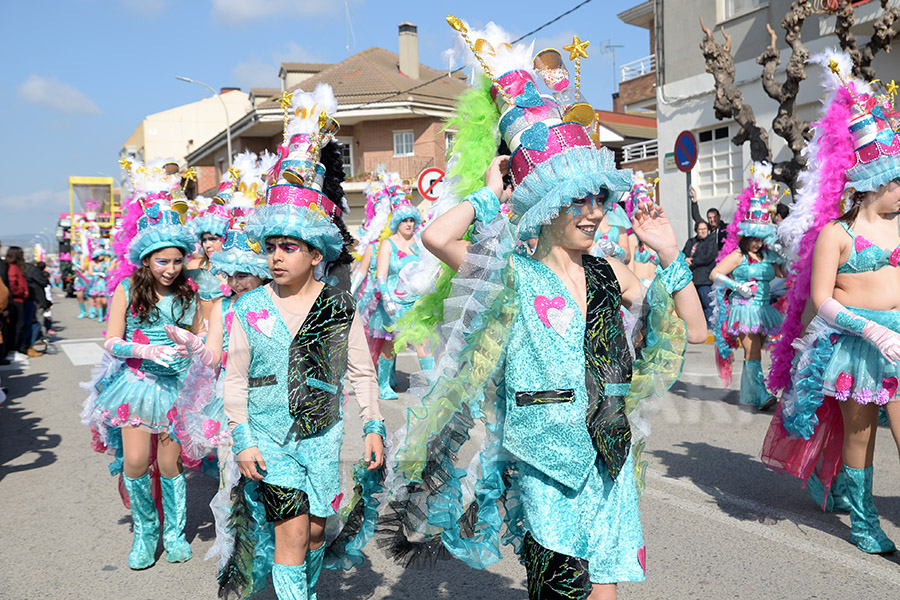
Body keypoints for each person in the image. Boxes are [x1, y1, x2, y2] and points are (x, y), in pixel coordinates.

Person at [381, 22, 706, 600]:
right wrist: (489, 194)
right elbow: (436, 237)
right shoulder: (511, 273)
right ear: (546, 204)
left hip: (607, 450)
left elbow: (696, 331)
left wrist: (670, 253)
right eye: (576, 199)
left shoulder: (613, 271)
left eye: (599, 199)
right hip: (543, 460)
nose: (592, 213)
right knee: (560, 592)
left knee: (604, 594)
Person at [211, 85, 386, 600]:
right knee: (290, 533)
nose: (276, 258)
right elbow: (236, 377)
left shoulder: (338, 308)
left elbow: (360, 373)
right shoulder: (248, 307)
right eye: (271, 248)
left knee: (312, 532)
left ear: (317, 253)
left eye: (289, 248)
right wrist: (242, 436)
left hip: (321, 435)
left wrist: (373, 427)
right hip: (267, 435)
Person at [762, 53, 900, 554]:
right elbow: (820, 300)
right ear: (870, 183)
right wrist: (871, 330)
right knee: (861, 440)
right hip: (857, 345)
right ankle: (865, 523)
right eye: (895, 182)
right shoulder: (835, 235)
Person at [81, 162, 200, 570]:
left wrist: (192, 344)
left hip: (177, 388)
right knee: (134, 462)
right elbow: (111, 341)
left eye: (177, 261)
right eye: (162, 261)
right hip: (137, 383)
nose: (170, 269)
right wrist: (146, 351)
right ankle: (145, 534)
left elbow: (200, 338)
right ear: (146, 260)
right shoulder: (127, 288)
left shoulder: (190, 292)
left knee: (170, 464)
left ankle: (174, 533)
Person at [710, 164, 784, 410]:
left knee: (756, 352)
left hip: (763, 308)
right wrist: (737, 286)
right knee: (752, 351)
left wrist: (782, 256)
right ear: (745, 237)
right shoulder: (737, 255)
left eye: (760, 239)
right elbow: (715, 274)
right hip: (744, 308)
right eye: (753, 239)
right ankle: (761, 394)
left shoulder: (766, 256)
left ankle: (749, 395)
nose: (756, 243)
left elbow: (785, 275)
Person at [367, 185, 433, 400]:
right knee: (392, 344)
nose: (408, 224)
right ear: (397, 222)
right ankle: (383, 385)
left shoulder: (419, 243)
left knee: (422, 341)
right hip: (393, 304)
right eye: (404, 220)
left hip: (416, 302)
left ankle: (433, 384)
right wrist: (386, 299)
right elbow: (381, 275)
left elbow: (428, 269)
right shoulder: (388, 244)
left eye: (412, 220)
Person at [186, 177, 231, 323]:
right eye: (204, 240)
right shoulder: (195, 267)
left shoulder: (239, 270)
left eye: (213, 239)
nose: (207, 245)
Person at [683, 220, 717, 325]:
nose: (702, 231)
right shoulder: (691, 241)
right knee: (693, 307)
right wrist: (685, 259)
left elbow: (708, 257)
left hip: (704, 279)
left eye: (704, 229)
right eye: (699, 229)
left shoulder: (710, 242)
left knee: (707, 304)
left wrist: (692, 261)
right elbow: (683, 254)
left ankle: (709, 327)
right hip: (691, 279)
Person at [5, 247, 32, 357]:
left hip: (19, 299)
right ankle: (13, 350)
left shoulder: (14, 267)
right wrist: (22, 291)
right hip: (17, 300)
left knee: (19, 325)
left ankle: (14, 349)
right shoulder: (13, 267)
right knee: (17, 326)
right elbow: (12, 284)